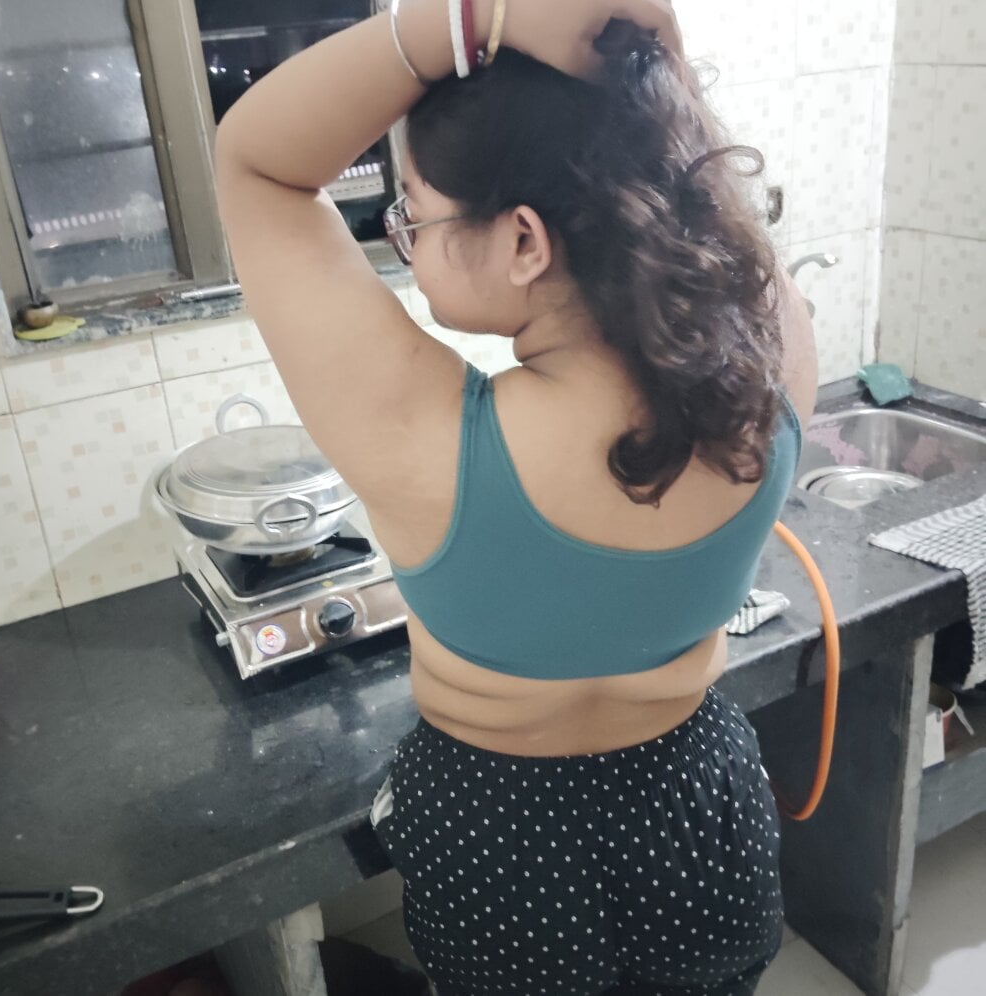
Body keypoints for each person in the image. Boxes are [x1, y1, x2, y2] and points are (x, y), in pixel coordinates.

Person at [213, 1, 818, 992]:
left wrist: (466, 20)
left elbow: (256, 163)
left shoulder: (427, 442)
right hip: (698, 804)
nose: (404, 241)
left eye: (413, 215)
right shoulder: (770, 366)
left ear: (524, 239)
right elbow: (712, 213)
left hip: (502, 833)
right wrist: (654, 72)